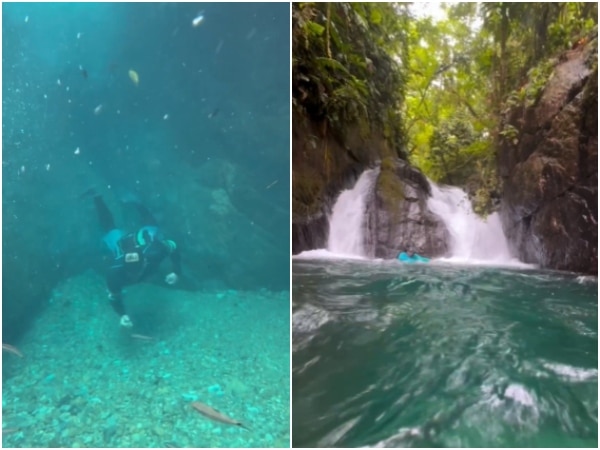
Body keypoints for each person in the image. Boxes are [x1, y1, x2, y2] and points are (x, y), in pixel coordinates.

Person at [92, 192, 181, 328]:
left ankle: (135, 202)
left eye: (136, 271)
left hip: (143, 239)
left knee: (151, 226)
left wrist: (176, 271)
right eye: (130, 272)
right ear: (123, 265)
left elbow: (173, 246)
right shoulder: (114, 274)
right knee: (110, 229)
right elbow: (114, 297)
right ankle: (97, 198)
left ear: (145, 262)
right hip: (122, 244)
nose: (134, 276)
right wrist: (122, 315)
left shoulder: (155, 252)